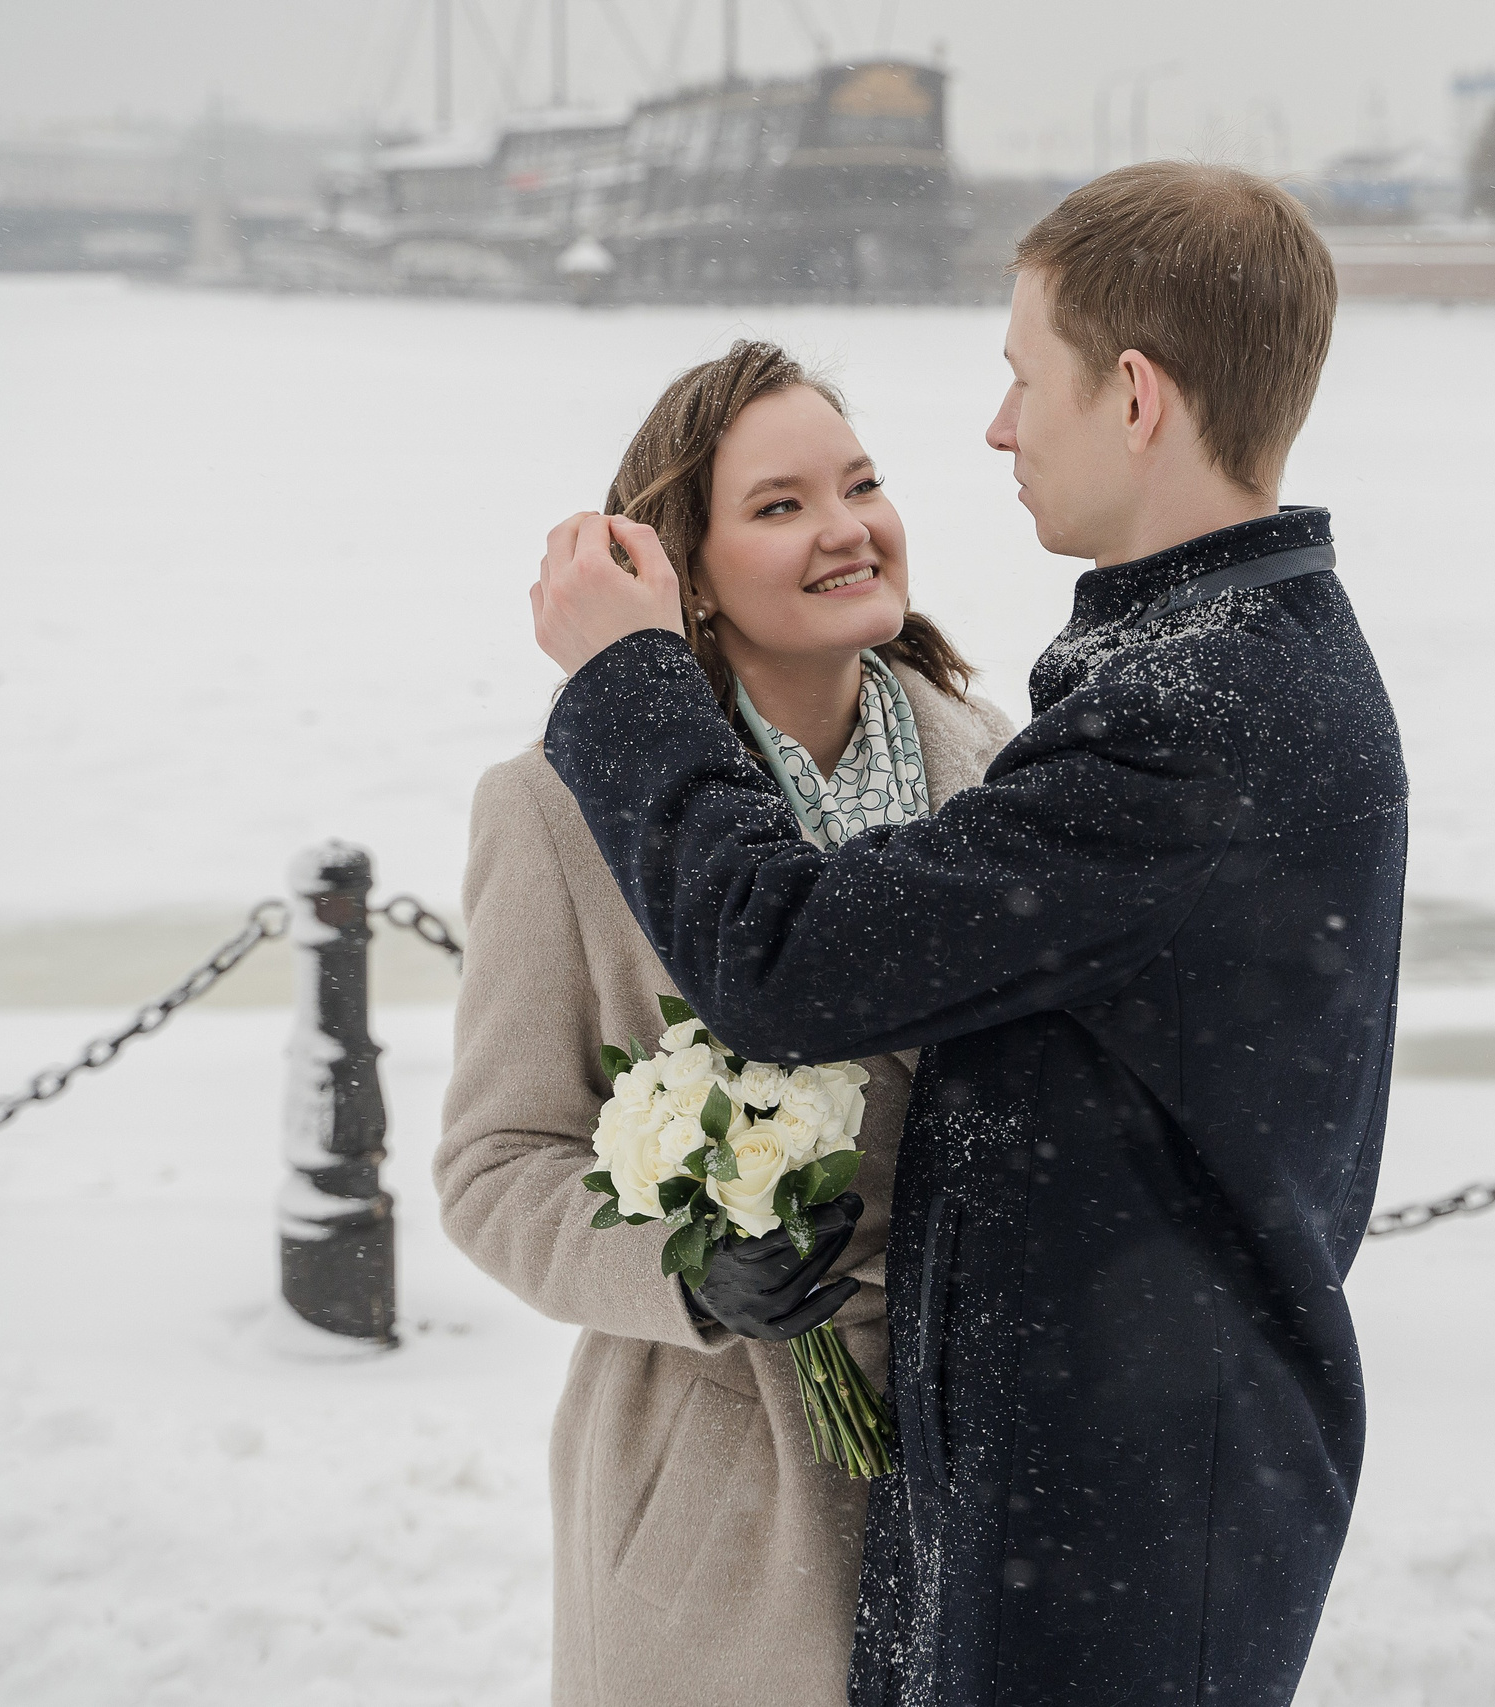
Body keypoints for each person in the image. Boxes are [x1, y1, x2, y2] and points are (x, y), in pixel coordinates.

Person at [530, 162, 1407, 1707]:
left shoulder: (1176, 731)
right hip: (1086, 1502)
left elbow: (779, 962)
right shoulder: (1203, 676)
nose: (998, 425)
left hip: (1119, 1533)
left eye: (1022, 376)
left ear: (1132, 395)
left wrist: (623, 674)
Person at [435, 341, 1018, 1707]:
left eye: (860, 482)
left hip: (972, 1444)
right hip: (718, 1489)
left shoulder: (996, 764)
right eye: (779, 505)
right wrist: (688, 1274)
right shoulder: (557, 812)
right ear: (683, 574)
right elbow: (494, 1165)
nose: (846, 528)